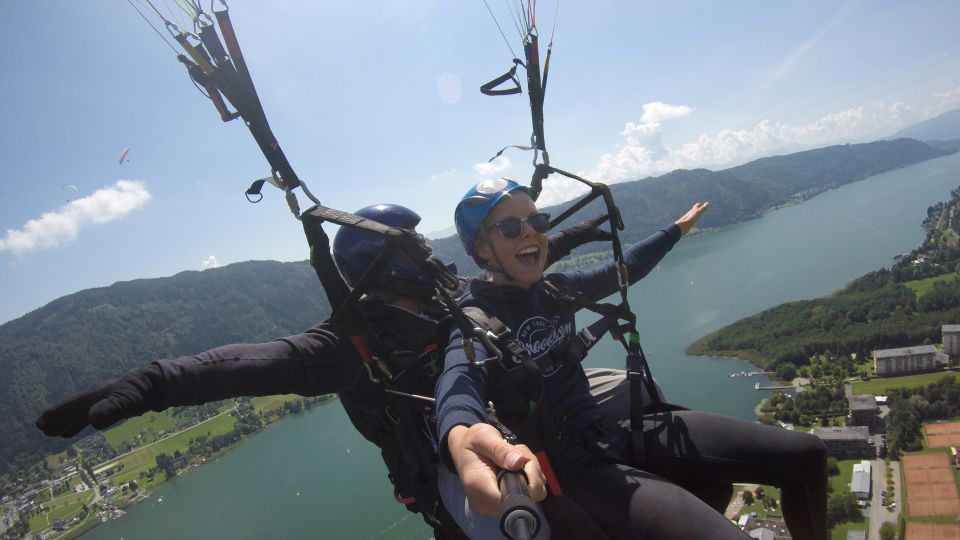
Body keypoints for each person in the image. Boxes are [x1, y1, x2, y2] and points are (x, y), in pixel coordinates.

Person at [34, 203, 626, 539]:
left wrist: (571, 234)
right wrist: (153, 383)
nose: (427, 252)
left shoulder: (446, 295)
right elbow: (254, 364)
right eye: (412, 245)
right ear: (388, 268)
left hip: (500, 427)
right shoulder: (350, 341)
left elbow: (503, 278)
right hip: (449, 465)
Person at [436, 178, 828, 540]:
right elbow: (457, 384)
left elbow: (625, 269)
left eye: (536, 220)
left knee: (807, 457)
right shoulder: (474, 322)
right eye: (509, 227)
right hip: (574, 469)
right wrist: (459, 436)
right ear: (483, 249)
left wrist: (677, 229)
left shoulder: (555, 288)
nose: (530, 231)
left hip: (609, 431)